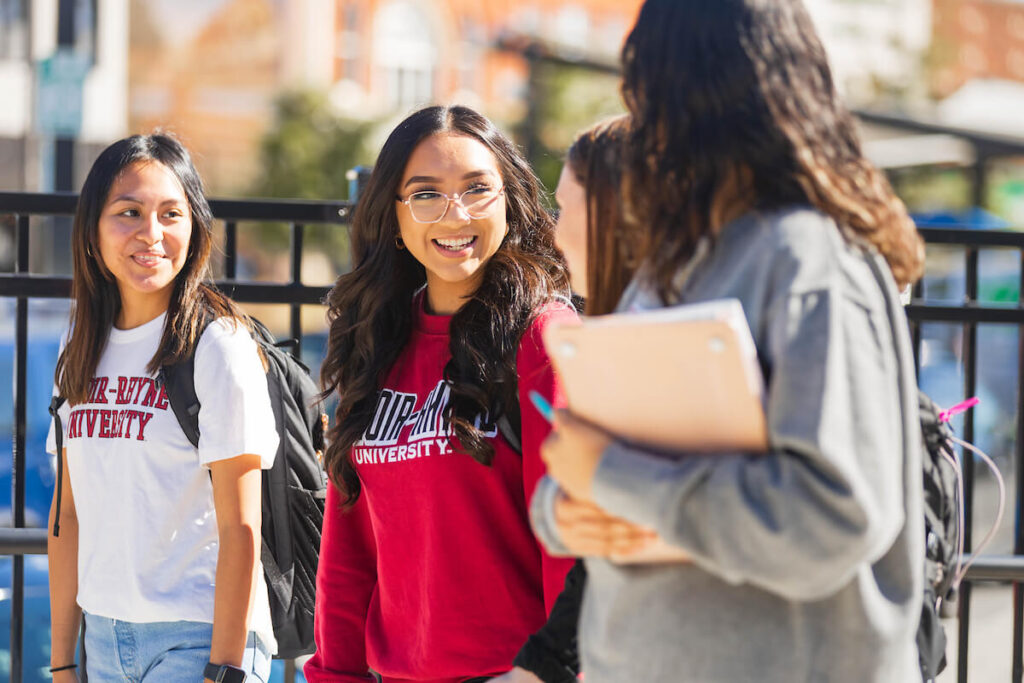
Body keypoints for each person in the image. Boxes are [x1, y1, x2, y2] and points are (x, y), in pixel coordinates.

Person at [531, 1, 928, 681]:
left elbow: (832, 516)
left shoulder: (808, 260)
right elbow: (597, 462)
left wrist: (614, 478)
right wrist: (566, 514)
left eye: (647, 87)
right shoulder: (675, 262)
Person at [305, 105, 577, 683]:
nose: (455, 214)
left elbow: (569, 541)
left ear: (511, 201)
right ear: (395, 216)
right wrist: (334, 672)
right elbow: (349, 546)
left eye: (477, 189)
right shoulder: (376, 340)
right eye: (426, 194)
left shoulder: (542, 341)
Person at [46, 134, 279, 683]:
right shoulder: (79, 341)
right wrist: (62, 662)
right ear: (93, 230)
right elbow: (68, 516)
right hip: (104, 635)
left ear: (194, 227)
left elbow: (242, 526)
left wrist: (224, 669)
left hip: (198, 636)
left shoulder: (218, 342)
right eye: (129, 213)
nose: (152, 234)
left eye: (171, 214)